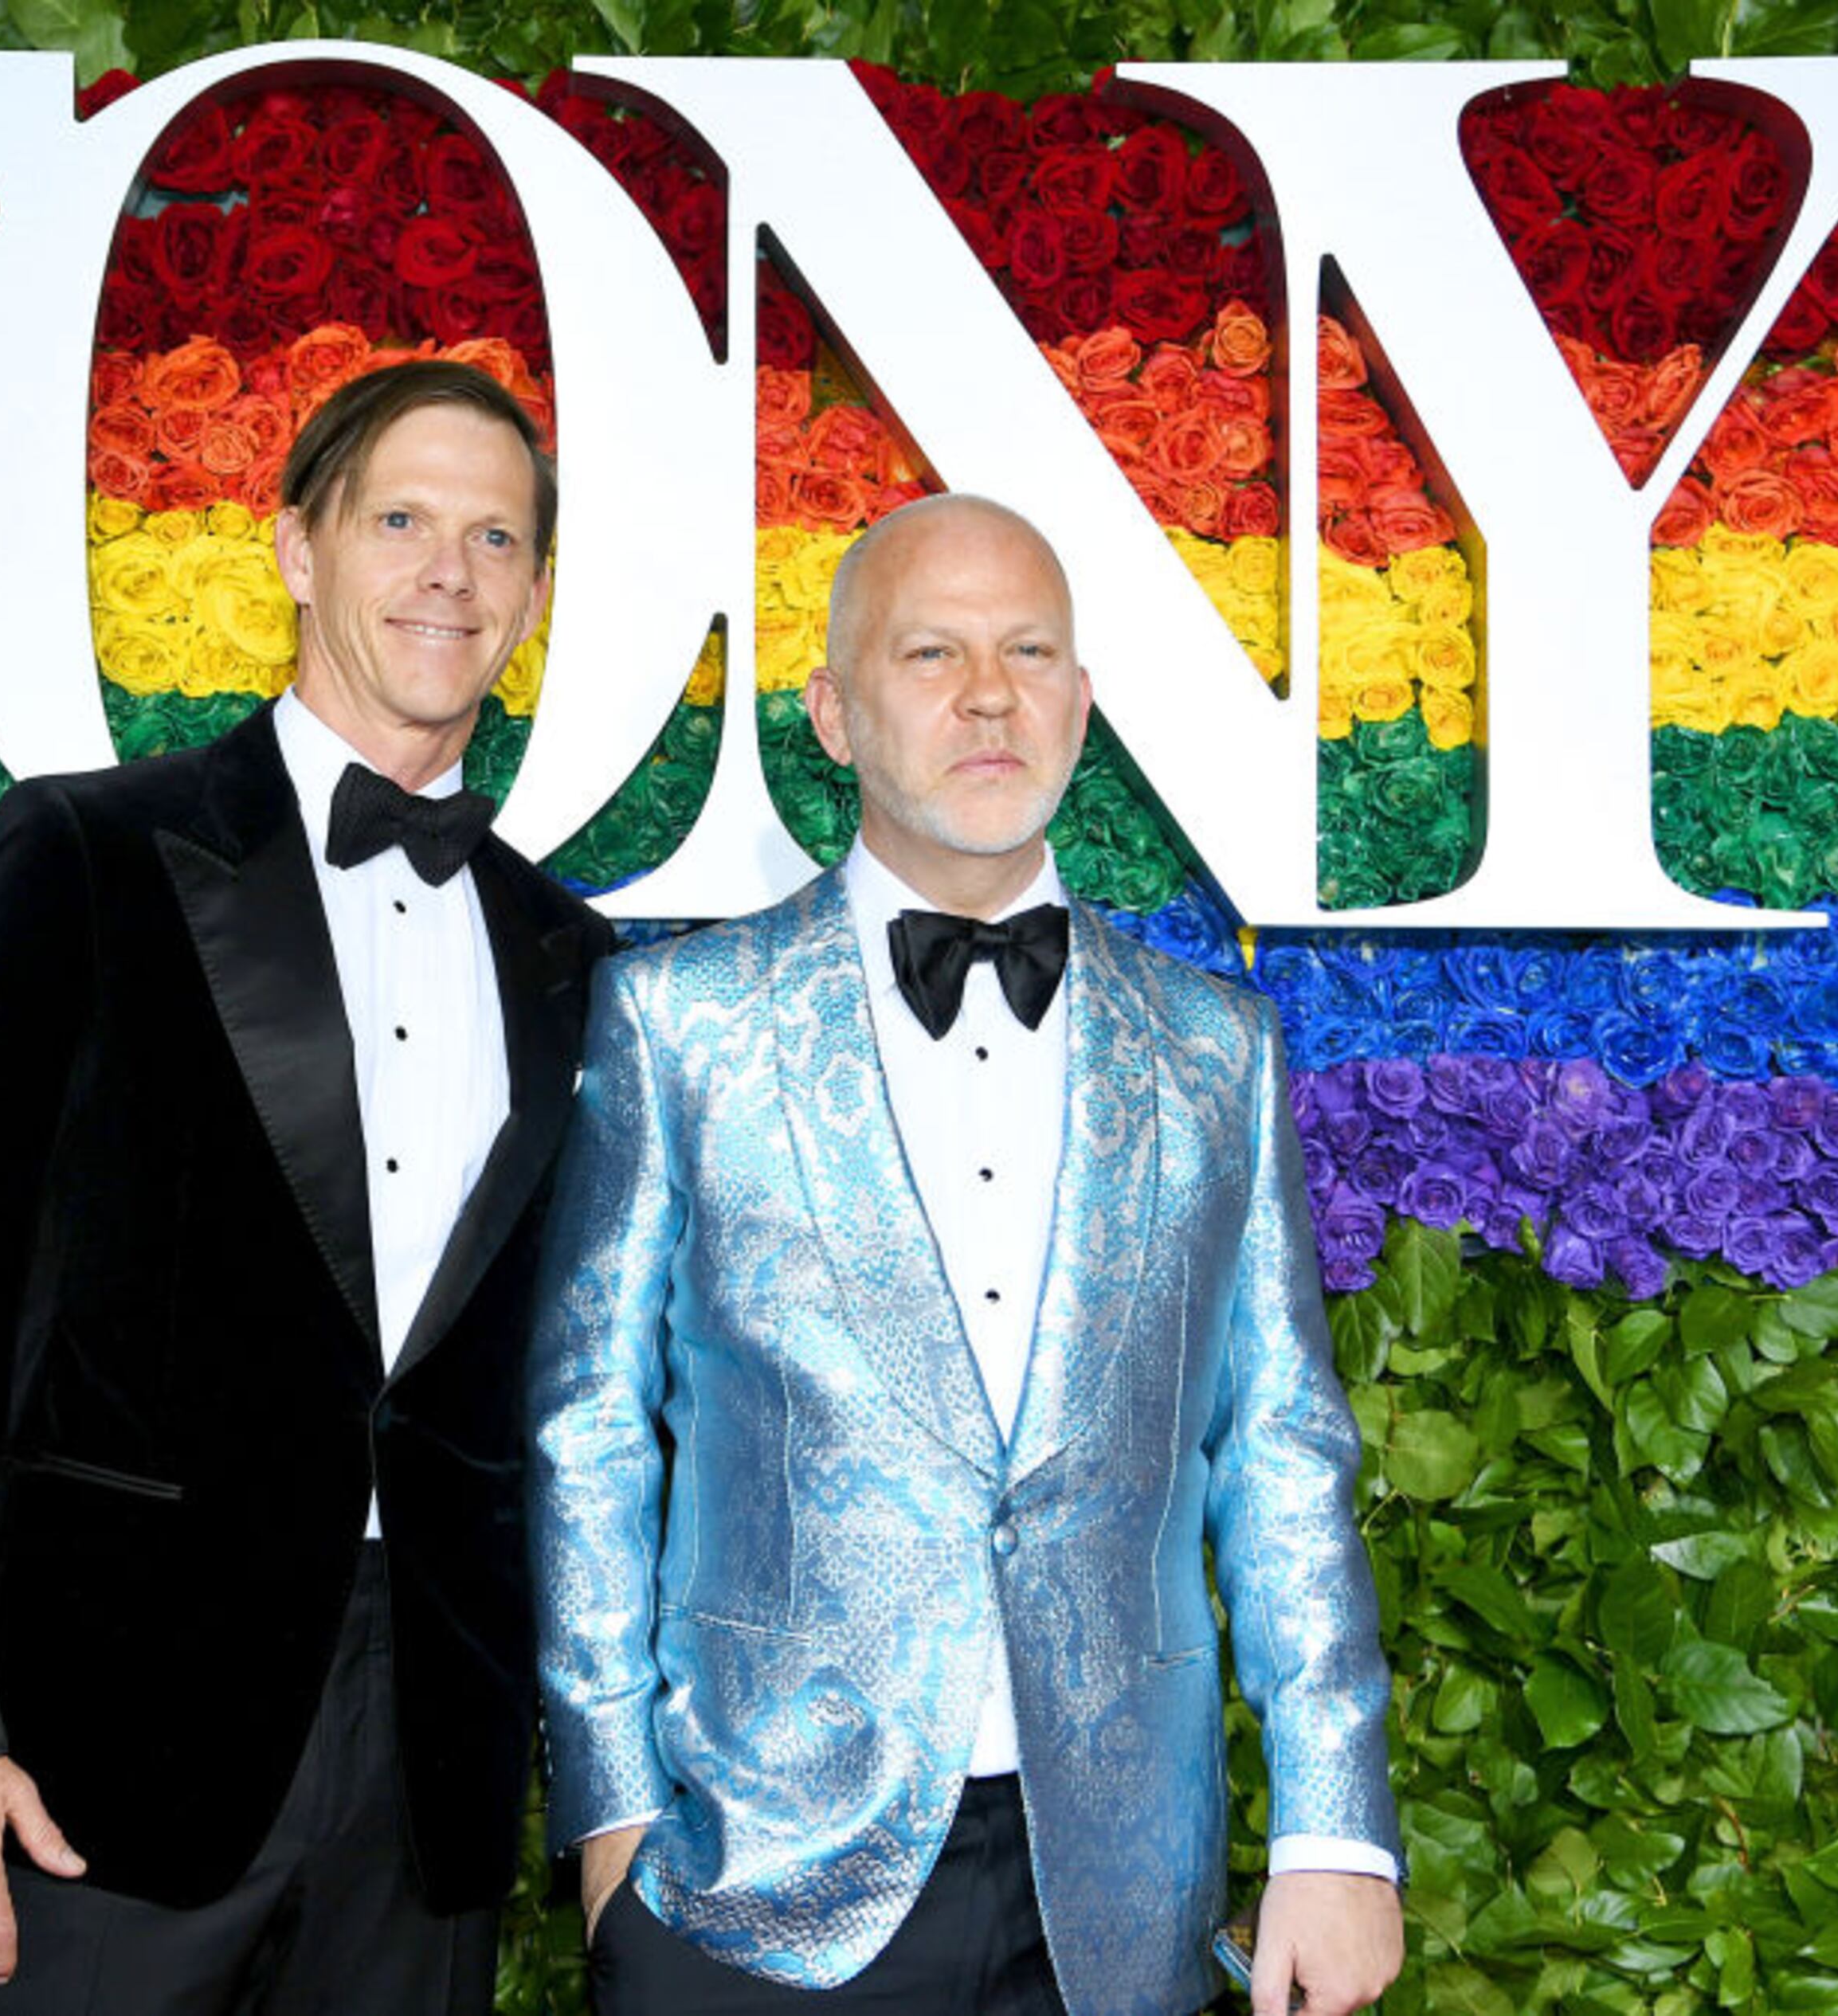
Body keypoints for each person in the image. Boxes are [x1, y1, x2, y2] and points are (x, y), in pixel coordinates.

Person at [527, 494, 1403, 2016]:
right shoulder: (684, 1025)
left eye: (1030, 650)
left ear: (1080, 700)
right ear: (835, 713)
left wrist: (1336, 1828)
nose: (989, 692)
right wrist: (610, 1814)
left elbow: (1279, 1451)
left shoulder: (1215, 1051)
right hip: (753, 1876)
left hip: (1120, 1888)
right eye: (931, 651)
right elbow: (586, 1430)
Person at [0, 359, 613, 2013]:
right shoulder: (86, 859)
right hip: (90, 1752)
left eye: (494, 537)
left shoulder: (571, 958)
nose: (447, 574)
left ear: (533, 593)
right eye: (399, 519)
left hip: (424, 1768)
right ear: (297, 547)